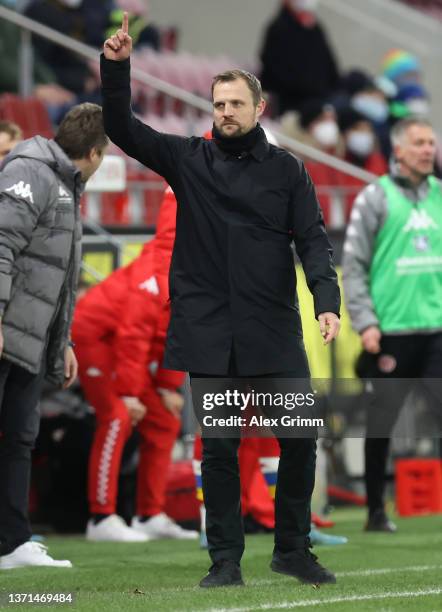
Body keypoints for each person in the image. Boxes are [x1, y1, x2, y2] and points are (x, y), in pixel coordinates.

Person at [101, 14, 341, 587]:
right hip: (211, 331)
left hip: (274, 328)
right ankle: (225, 562)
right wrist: (117, 69)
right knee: (220, 452)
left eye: (235, 103)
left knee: (301, 441)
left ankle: (292, 550)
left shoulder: (289, 171)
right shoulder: (189, 159)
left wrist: (326, 300)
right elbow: (122, 129)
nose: (225, 112)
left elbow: (312, 241)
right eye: (218, 104)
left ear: (259, 109)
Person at [0, 102, 108, 569]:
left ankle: (12, 542)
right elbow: (1, 244)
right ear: (98, 153)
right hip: (6, 332)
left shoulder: (66, 186)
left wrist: (62, 342)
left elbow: (60, 279)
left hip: (30, 339)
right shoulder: (30, 171)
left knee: (21, 438)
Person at [72, 187, 197, 542]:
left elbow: (174, 335)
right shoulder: (156, 273)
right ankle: (101, 518)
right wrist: (129, 393)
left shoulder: (187, 273)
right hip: (95, 335)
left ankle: (149, 514)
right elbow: (133, 336)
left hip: (124, 348)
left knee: (163, 420)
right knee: (117, 416)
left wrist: (167, 387)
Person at [342, 117, 442, 532]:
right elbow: (353, 265)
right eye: (419, 143)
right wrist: (365, 322)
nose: (427, 149)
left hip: (437, 332)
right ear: (398, 150)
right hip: (390, 333)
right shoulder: (374, 198)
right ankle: (375, 511)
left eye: (431, 143)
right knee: (381, 424)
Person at [260, 0, 340, 115]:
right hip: (292, 101)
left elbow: (330, 66)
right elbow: (274, 70)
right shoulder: (279, 28)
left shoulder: (315, 28)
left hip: (321, 97)